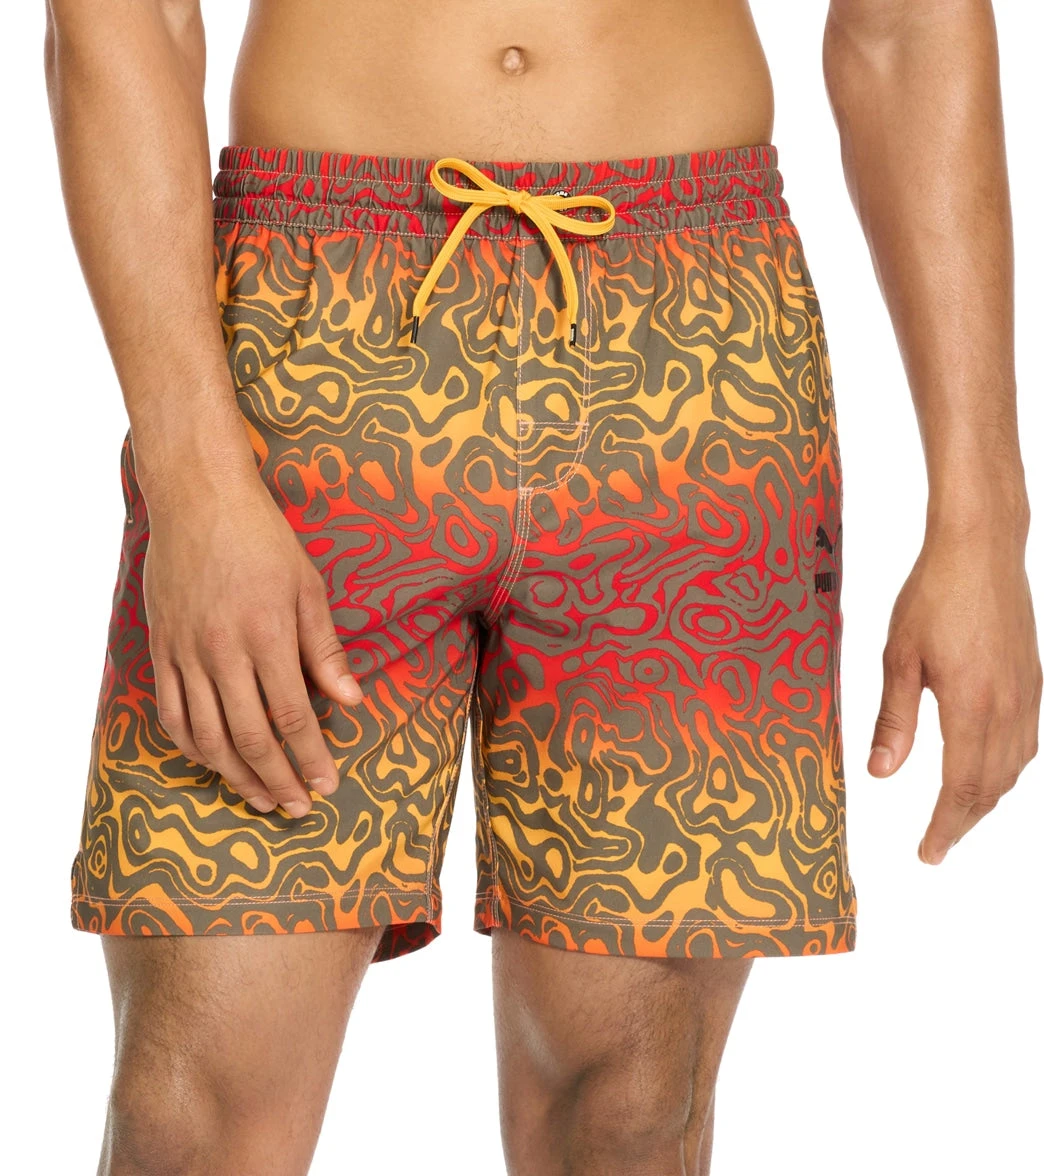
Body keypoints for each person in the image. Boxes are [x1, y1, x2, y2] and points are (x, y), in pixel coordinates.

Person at [46, 1, 1040, 1173]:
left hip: (694, 354)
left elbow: (905, 26)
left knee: (631, 1108)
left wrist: (985, 523)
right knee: (190, 1116)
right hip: (315, 344)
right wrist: (195, 483)